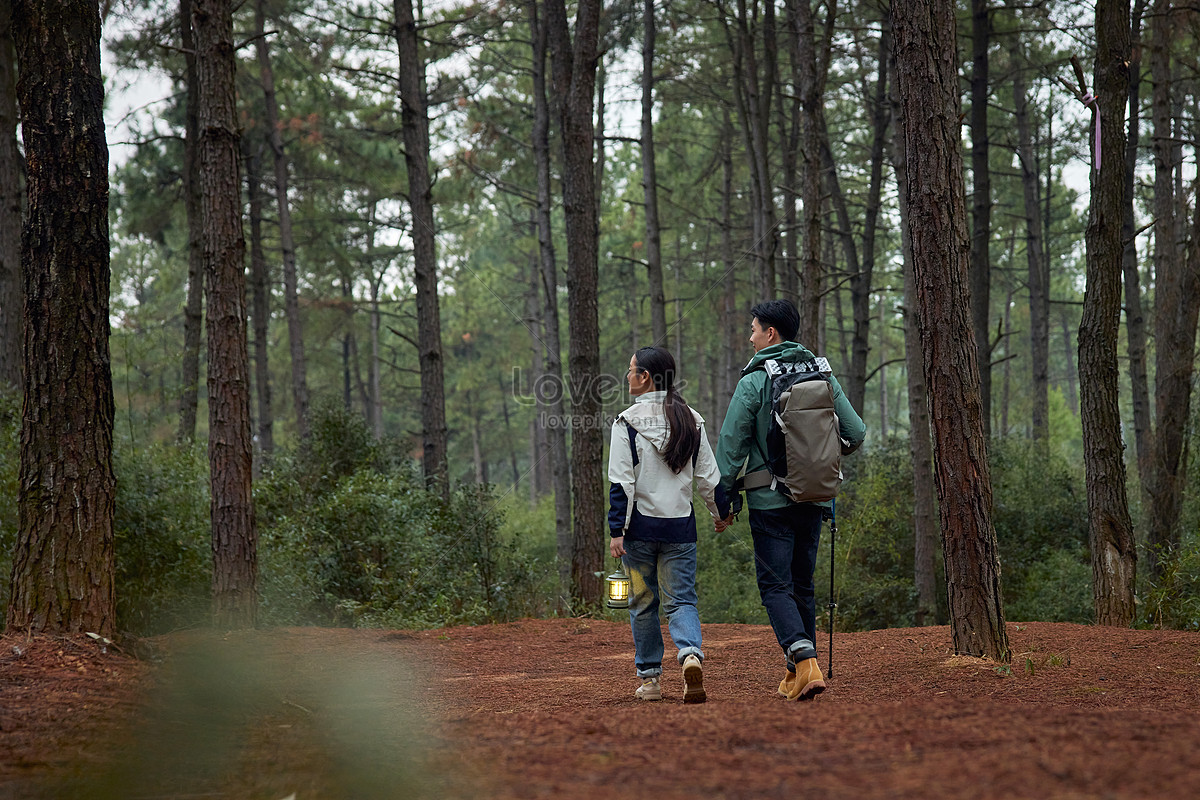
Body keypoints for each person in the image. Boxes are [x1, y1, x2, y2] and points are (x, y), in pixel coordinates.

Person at [715, 299, 865, 701]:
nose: (750, 338)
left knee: (774, 586)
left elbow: (731, 446)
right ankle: (796, 673)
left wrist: (724, 497)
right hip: (815, 499)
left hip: (770, 503)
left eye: (753, 330)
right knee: (803, 585)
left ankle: (803, 660)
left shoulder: (755, 381)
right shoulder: (823, 375)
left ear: (771, 334)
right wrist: (820, 458)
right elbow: (856, 432)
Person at [608, 346, 729, 703]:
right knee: (682, 601)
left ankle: (650, 681)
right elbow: (709, 477)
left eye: (631, 370)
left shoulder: (626, 422)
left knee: (643, 602)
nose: (627, 375)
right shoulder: (692, 419)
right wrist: (719, 514)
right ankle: (690, 654)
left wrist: (617, 530)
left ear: (645, 377)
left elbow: (621, 483)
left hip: (639, 531)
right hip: (680, 528)